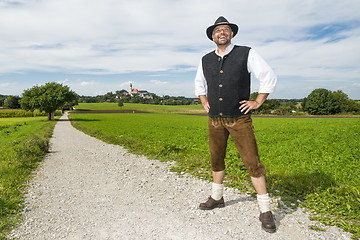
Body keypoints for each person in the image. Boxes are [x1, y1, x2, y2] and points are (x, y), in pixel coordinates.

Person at [194, 16, 277, 233]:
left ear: (231, 34)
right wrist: (204, 101)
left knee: (252, 161)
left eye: (226, 29)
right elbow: (199, 83)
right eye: (218, 30)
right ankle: (217, 197)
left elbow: (267, 75)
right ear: (212, 36)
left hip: (239, 119)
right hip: (215, 119)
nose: (222, 32)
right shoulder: (205, 59)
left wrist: (258, 101)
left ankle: (265, 210)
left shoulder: (246, 53)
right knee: (216, 158)